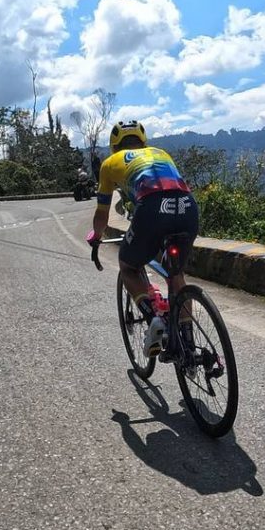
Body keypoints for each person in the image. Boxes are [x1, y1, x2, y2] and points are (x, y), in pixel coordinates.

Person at [86, 121, 199, 360]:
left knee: (128, 266)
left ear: (114, 145)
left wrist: (96, 236)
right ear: (143, 140)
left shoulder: (108, 164)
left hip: (152, 208)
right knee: (175, 273)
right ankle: (188, 346)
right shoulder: (161, 153)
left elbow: (102, 213)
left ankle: (153, 319)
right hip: (188, 206)